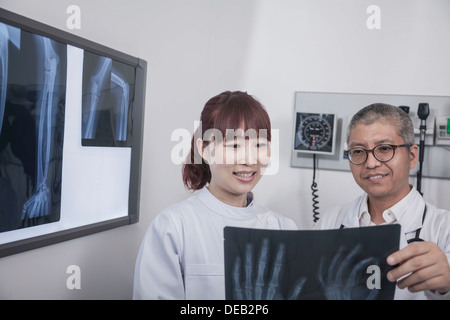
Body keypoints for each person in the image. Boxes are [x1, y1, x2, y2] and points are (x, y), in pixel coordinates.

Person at [133, 91, 297, 299]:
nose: (249, 159)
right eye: (235, 145)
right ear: (203, 149)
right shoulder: (172, 228)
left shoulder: (285, 229)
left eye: (259, 145)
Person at [314, 103, 450, 300]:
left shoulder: (444, 228)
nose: (371, 163)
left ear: (412, 156)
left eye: (385, 148)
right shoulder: (330, 222)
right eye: (359, 151)